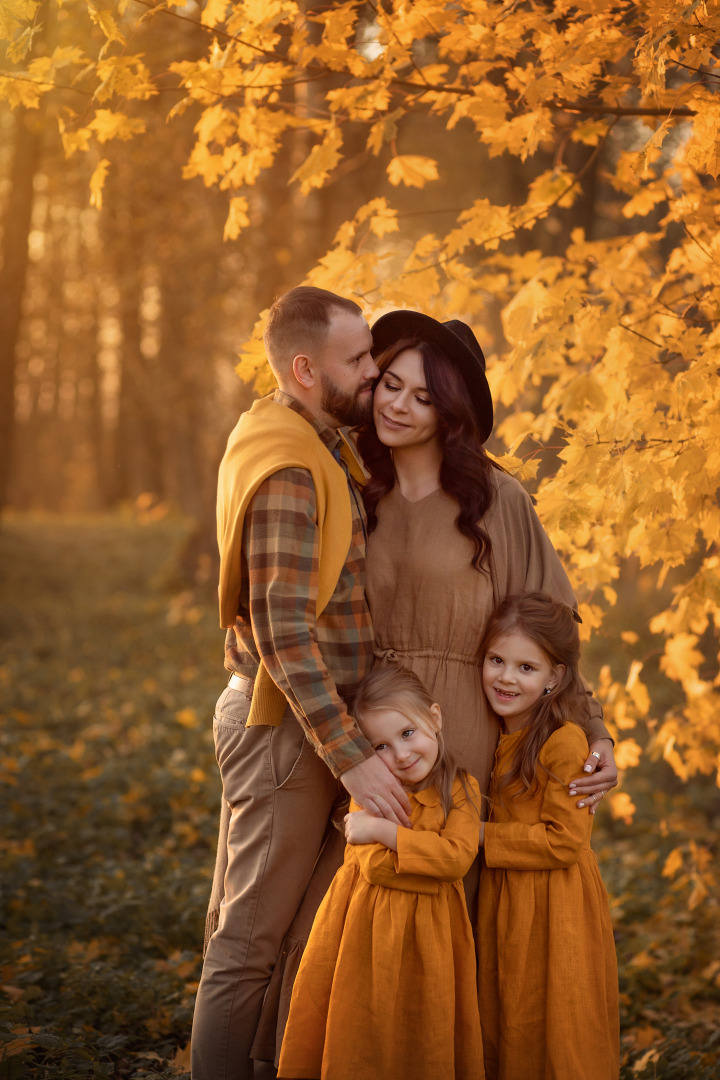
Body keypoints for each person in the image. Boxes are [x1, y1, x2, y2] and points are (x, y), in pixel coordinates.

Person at [191, 286, 413, 1080]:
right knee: (248, 945)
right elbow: (283, 630)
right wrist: (352, 754)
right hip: (288, 729)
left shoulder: (297, 438)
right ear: (306, 368)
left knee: (285, 939)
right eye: (357, 361)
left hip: (302, 724)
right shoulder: (289, 465)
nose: (372, 373)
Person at [358, 310, 619, 909]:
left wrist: (597, 731)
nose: (396, 406)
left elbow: (548, 635)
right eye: (390, 385)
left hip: (464, 723)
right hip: (374, 725)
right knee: (372, 893)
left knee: (451, 892)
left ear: (449, 414)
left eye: (422, 397)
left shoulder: (496, 499)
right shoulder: (355, 486)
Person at [278, 667, 484, 1080]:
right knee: (364, 1023)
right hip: (367, 932)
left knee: (426, 1021)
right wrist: (433, 865)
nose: (401, 755)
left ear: (436, 718)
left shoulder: (461, 788)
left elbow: (458, 860)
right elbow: (375, 868)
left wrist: (386, 832)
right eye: (382, 746)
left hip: (434, 936)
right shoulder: (372, 791)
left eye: (408, 733)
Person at [477, 592, 620, 1079]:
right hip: (510, 897)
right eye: (496, 660)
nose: (506, 677)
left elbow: (564, 841)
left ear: (554, 679)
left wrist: (478, 837)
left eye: (525, 667)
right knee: (510, 1011)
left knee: (556, 1018)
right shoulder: (498, 732)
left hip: (554, 902)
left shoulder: (563, 741)